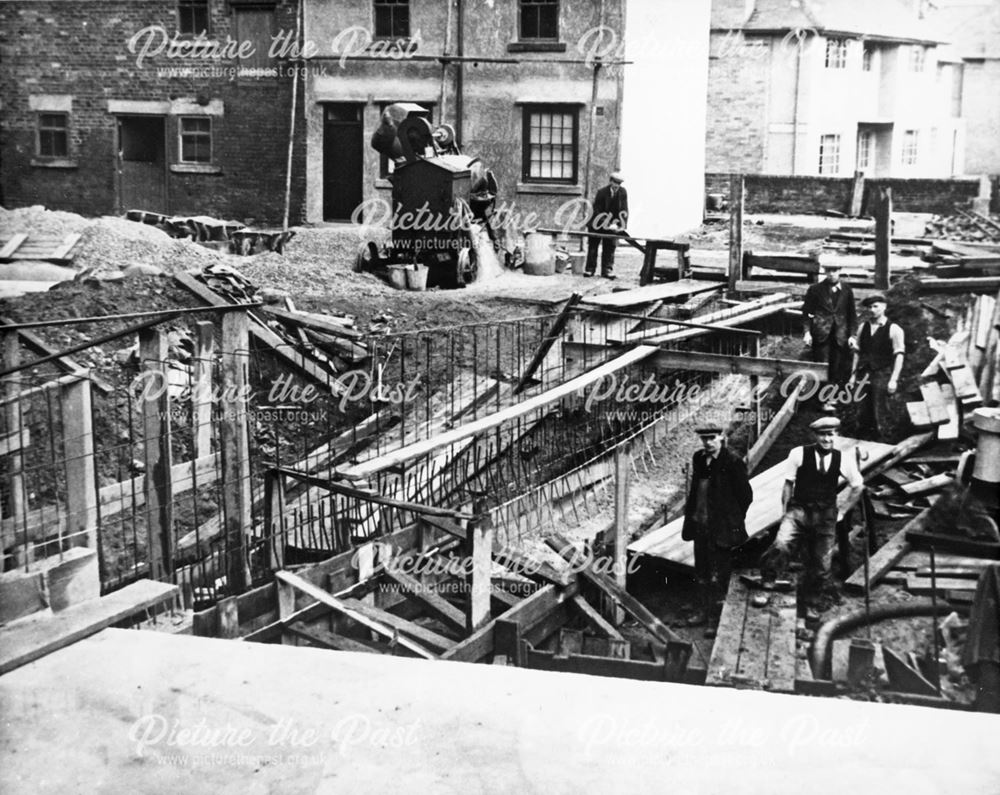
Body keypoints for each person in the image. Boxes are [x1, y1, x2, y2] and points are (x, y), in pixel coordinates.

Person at [761, 415, 863, 618]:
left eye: (830, 435)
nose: (826, 439)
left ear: (836, 435)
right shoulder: (798, 454)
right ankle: (767, 584)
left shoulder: (842, 458)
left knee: (822, 562)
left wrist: (842, 511)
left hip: (825, 514)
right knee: (781, 544)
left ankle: (812, 602)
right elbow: (789, 483)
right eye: (822, 435)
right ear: (815, 435)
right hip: (799, 510)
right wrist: (785, 512)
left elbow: (858, 486)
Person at [681, 424, 754, 637]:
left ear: (721, 437)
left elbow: (745, 496)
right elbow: (696, 490)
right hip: (701, 524)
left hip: (721, 529)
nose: (708, 442)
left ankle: (716, 618)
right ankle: (702, 612)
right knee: (702, 570)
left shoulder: (732, 462)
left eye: (712, 438)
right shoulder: (699, 459)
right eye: (704, 439)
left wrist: (732, 521)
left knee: (719, 575)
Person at [850, 293, 905, 440]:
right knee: (861, 409)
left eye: (876, 306)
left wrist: (894, 379)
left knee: (880, 409)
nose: (872, 310)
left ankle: (885, 441)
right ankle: (862, 440)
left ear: (884, 307)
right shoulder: (863, 327)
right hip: (864, 373)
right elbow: (857, 352)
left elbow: (899, 355)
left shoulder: (894, 329)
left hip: (882, 373)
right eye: (870, 307)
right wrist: (853, 374)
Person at [802, 263, 857, 386]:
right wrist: (807, 332)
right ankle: (820, 400)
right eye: (828, 271)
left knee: (837, 367)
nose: (831, 274)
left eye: (834, 270)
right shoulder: (815, 289)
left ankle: (833, 397)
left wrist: (853, 335)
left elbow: (852, 315)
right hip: (821, 335)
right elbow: (807, 313)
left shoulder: (847, 290)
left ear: (839, 271)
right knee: (822, 366)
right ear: (825, 272)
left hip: (840, 336)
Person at [585, 171, 628, 279]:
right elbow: (597, 211)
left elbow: (624, 210)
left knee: (610, 246)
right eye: (615, 183)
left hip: (612, 224)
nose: (616, 186)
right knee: (593, 246)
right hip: (597, 223)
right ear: (610, 182)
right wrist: (607, 223)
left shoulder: (623, 192)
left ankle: (607, 270)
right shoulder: (602, 192)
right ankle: (590, 269)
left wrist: (621, 225)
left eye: (619, 183)